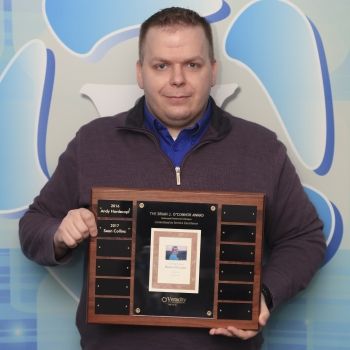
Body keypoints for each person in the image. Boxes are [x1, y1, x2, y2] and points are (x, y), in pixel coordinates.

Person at [19, 6, 326, 350]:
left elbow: (305, 238)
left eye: (192, 65)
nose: (177, 79)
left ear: (212, 71)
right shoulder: (93, 142)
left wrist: (265, 295)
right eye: (161, 65)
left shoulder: (261, 148)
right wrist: (58, 234)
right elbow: (33, 225)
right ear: (140, 73)